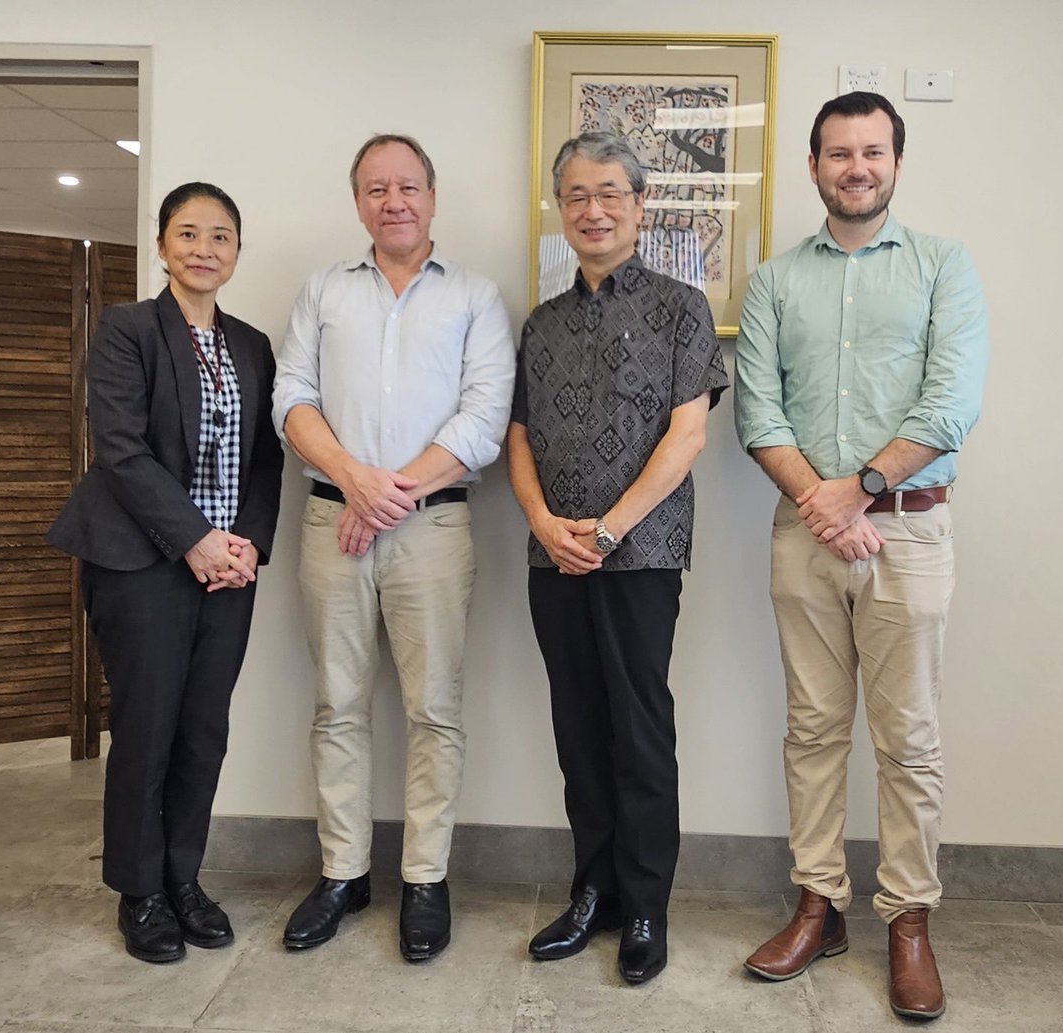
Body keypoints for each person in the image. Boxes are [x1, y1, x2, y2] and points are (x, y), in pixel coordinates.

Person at [734, 92, 989, 1019]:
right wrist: (823, 502)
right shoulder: (773, 281)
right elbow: (758, 412)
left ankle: (909, 919)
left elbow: (950, 401)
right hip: (805, 534)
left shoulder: (942, 269)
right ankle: (818, 903)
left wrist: (863, 490)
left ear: (895, 162)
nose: (856, 167)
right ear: (813, 167)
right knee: (812, 728)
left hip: (910, 531)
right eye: (838, 153)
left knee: (908, 738)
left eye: (872, 151)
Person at [272, 134, 514, 961]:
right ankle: (342, 873)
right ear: (358, 202)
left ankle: (424, 877)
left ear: (433, 197)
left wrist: (389, 493)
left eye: (407, 186)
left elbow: (482, 418)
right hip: (331, 522)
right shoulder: (323, 291)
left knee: (433, 709)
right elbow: (292, 399)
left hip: (433, 528)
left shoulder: (477, 297)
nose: (393, 200)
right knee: (336, 703)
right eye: (376, 188)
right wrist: (354, 479)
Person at [508, 132, 728, 985]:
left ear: (640, 206)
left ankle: (645, 904)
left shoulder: (681, 306)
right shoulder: (542, 322)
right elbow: (519, 437)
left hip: (641, 557)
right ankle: (590, 891)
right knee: (577, 727)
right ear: (560, 209)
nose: (592, 209)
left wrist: (606, 529)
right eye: (575, 195)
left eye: (609, 193)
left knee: (639, 731)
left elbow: (688, 434)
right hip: (551, 555)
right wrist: (545, 521)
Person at [48, 182, 283, 963]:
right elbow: (121, 449)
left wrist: (245, 542)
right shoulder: (126, 330)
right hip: (141, 563)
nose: (203, 249)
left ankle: (185, 877)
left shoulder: (251, 345)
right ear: (160, 246)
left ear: (237, 253)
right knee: (146, 728)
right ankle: (140, 890)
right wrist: (194, 541)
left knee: (202, 731)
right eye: (187, 233)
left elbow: (264, 458)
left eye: (221, 236)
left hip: (227, 573)